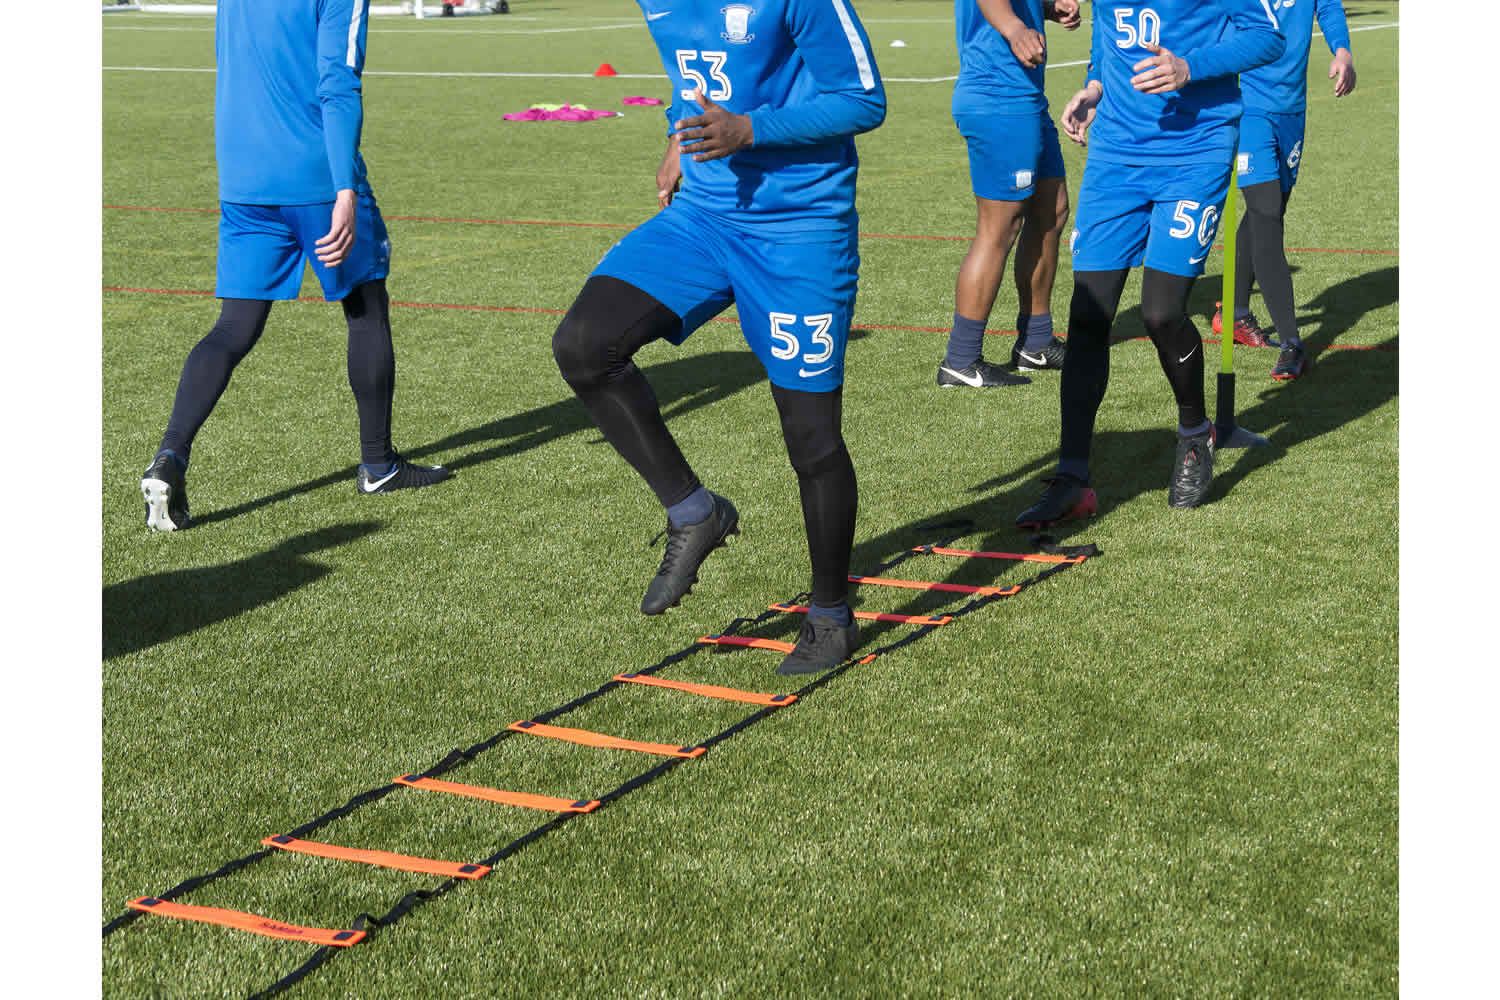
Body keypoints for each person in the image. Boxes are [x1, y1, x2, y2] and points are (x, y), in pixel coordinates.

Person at [551, 0, 885, 675]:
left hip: (799, 231)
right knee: (586, 344)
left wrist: (750, 130)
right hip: (702, 218)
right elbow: (698, 76)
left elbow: (864, 101)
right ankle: (694, 511)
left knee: (812, 439)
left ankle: (829, 617)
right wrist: (679, 141)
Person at [140, 0, 450, 533]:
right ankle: (378, 464)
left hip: (243, 176)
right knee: (366, 307)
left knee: (233, 326)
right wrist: (345, 189)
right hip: (316, 176)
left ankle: (170, 455)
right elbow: (339, 82)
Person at [1015, 0, 1284, 527]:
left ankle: (1193, 434)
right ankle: (1072, 478)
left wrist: (1190, 66)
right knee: (1089, 314)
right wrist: (1095, 88)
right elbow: (1109, 40)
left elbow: (1267, 38)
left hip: (1196, 152)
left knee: (1161, 312)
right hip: (1116, 156)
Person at [940, 0, 1081, 390]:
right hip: (998, 98)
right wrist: (1014, 27)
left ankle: (1036, 342)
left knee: (1052, 211)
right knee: (1000, 227)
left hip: (1027, 99)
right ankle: (961, 359)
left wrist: (1050, 8)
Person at [1212, 0, 1355, 381]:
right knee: (1266, 211)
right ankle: (1292, 343)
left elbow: (1327, 7)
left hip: (1292, 109)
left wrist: (1342, 51)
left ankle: (1235, 312)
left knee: (1270, 211)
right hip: (1249, 105)